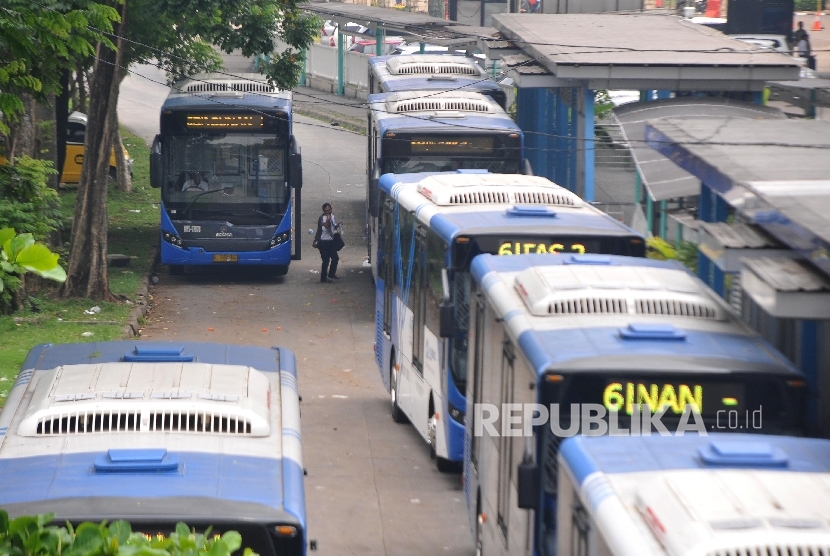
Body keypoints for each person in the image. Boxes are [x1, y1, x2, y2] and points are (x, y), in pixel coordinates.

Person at [313, 202, 340, 283]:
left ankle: (331, 273)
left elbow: (333, 226)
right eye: (326, 211)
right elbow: (324, 228)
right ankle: (323, 277)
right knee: (326, 260)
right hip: (323, 242)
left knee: (335, 258)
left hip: (330, 241)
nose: (328, 212)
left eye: (329, 210)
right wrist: (328, 220)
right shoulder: (322, 218)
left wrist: (337, 226)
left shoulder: (332, 216)